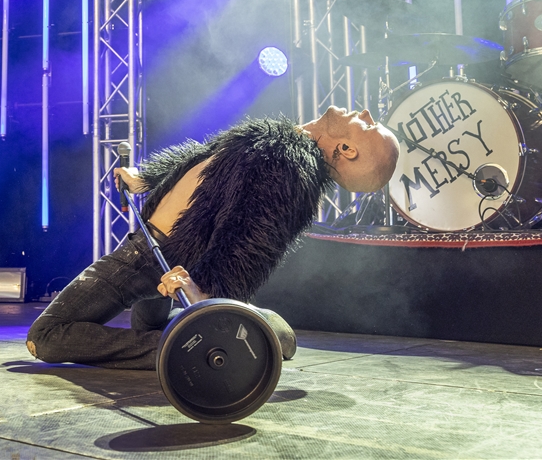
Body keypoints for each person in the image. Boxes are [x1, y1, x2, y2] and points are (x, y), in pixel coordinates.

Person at [26, 108, 400, 369]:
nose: (365, 113)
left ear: (347, 150)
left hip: (157, 257)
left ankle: (202, 344)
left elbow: (252, 241)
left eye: (370, 125)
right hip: (152, 252)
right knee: (149, 331)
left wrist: (206, 293)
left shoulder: (291, 168)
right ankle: (246, 331)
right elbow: (206, 161)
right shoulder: (279, 143)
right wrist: (147, 177)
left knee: (45, 336)